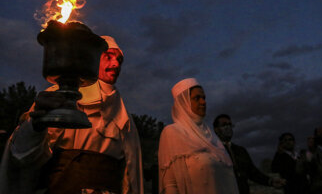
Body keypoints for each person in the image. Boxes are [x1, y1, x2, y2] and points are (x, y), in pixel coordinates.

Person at [0, 36, 143, 194]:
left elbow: (130, 175)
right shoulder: (57, 97)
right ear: (94, 59)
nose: (115, 64)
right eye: (108, 57)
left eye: (119, 60)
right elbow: (24, 155)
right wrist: (36, 126)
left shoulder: (124, 116)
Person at [158, 78, 239, 194]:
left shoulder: (211, 136)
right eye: (197, 98)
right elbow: (170, 185)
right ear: (183, 102)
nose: (203, 102)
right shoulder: (172, 133)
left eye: (204, 98)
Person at [213, 114, 286, 194]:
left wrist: (270, 181)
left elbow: (252, 172)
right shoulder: (211, 150)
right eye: (224, 125)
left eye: (230, 125)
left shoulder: (241, 151)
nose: (228, 127)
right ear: (216, 129)